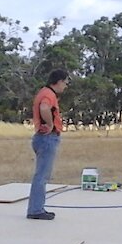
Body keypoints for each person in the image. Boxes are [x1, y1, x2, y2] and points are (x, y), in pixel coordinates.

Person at [26, 69, 70, 219]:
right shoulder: (48, 95)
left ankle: (36, 208)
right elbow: (44, 108)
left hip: (43, 138)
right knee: (42, 176)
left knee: (41, 175)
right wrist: (50, 124)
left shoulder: (44, 92)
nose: (66, 86)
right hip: (47, 138)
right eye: (65, 82)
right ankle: (36, 210)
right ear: (58, 81)